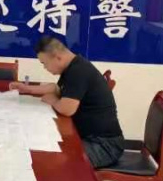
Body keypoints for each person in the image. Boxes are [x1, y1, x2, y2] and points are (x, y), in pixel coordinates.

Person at [10, 36, 124, 168]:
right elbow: (57, 89)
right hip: (89, 137)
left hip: (104, 145)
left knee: (54, 162)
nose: (45, 68)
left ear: (57, 57)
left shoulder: (78, 71)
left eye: (44, 63)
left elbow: (67, 109)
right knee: (44, 146)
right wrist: (28, 89)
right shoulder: (73, 66)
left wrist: (53, 101)